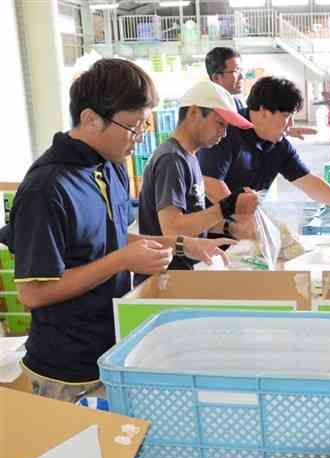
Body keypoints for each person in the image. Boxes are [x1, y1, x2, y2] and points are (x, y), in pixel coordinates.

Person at [6, 59, 233, 402]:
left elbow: (110, 237)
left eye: (144, 126)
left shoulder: (111, 168)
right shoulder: (47, 188)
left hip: (110, 348)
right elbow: (34, 293)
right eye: (132, 126)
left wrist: (184, 246)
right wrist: (121, 261)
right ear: (89, 119)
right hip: (65, 369)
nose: (139, 139)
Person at [136, 81, 260, 284]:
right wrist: (227, 207)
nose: (224, 133)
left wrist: (229, 228)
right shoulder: (171, 160)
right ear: (193, 113)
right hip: (165, 281)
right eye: (220, 123)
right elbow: (173, 229)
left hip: (181, 275)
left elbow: (190, 218)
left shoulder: (189, 157)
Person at [198, 76, 330, 217]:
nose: (291, 124)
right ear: (264, 111)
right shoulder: (225, 132)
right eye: (286, 116)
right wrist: (243, 219)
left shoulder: (279, 144)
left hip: (241, 227)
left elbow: (308, 181)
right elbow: (210, 182)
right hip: (206, 231)